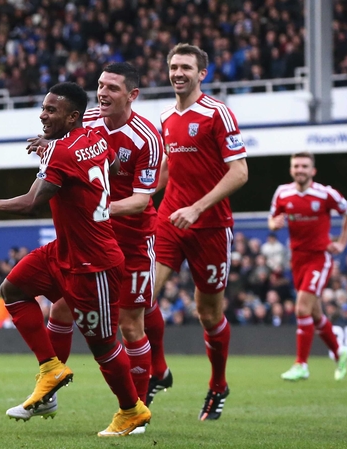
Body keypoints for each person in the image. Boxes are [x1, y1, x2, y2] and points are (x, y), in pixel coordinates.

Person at [0, 82, 151, 437]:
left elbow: (31, 202)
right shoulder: (96, 137)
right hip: (65, 249)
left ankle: (131, 410)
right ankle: (51, 368)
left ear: (72, 117)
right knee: (14, 289)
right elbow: (114, 165)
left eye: (51, 110)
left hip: (94, 262)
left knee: (103, 344)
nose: (43, 114)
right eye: (43, 107)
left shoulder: (61, 151)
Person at [153, 43, 249, 421]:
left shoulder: (217, 113)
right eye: (173, 66)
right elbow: (166, 170)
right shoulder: (164, 116)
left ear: (201, 74)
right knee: (142, 294)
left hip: (209, 225)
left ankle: (218, 385)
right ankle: (158, 372)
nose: (178, 72)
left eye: (186, 67)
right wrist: (139, 197)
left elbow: (240, 172)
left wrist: (197, 207)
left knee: (207, 313)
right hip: (169, 219)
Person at [268, 152, 347, 381]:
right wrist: (274, 224)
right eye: (296, 166)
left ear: (313, 171)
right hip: (297, 259)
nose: (300, 170)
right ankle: (339, 351)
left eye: (305, 166)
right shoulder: (282, 193)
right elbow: (273, 219)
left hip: (320, 257)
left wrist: (342, 243)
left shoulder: (325, 194)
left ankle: (301, 365)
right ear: (291, 170)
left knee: (302, 308)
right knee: (315, 313)